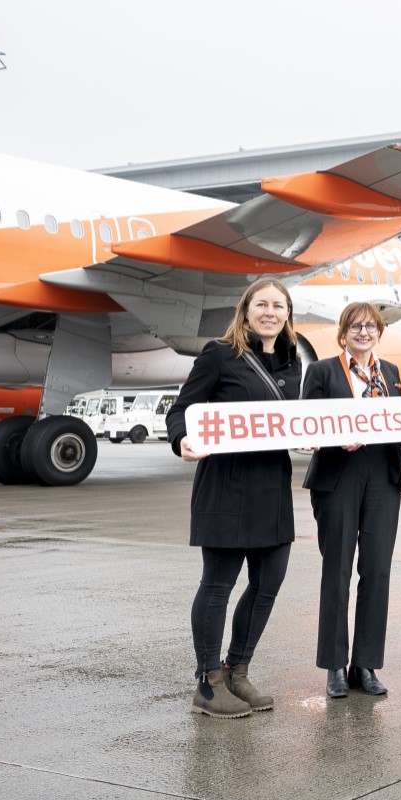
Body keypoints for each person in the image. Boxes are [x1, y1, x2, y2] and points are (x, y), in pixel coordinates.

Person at [165, 277, 302, 719]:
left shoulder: (291, 362)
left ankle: (237, 670)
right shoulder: (219, 355)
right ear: (245, 311)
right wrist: (182, 438)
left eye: (278, 306)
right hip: (226, 484)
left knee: (267, 585)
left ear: (287, 315)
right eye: (261, 304)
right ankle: (208, 682)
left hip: (272, 488)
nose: (270, 312)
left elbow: (296, 422)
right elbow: (181, 408)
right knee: (218, 586)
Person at [300, 302, 401, 699]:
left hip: (383, 475)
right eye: (355, 327)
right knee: (338, 572)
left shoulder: (389, 372)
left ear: (379, 332)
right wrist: (332, 438)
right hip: (338, 475)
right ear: (343, 333)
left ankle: (366, 664)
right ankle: (334, 666)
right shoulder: (323, 371)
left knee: (377, 573)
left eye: (371, 326)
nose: (364, 332)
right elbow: (306, 424)